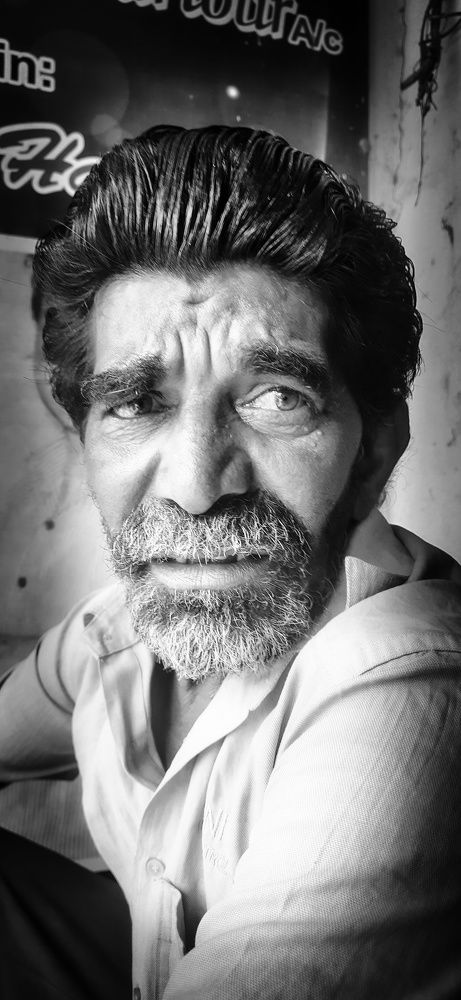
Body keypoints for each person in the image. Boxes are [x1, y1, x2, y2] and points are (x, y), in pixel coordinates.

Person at [1, 124, 461, 1000]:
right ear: (86, 435)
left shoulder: (411, 679)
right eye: (136, 403)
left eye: (278, 398)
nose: (194, 488)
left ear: (373, 453)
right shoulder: (109, 636)